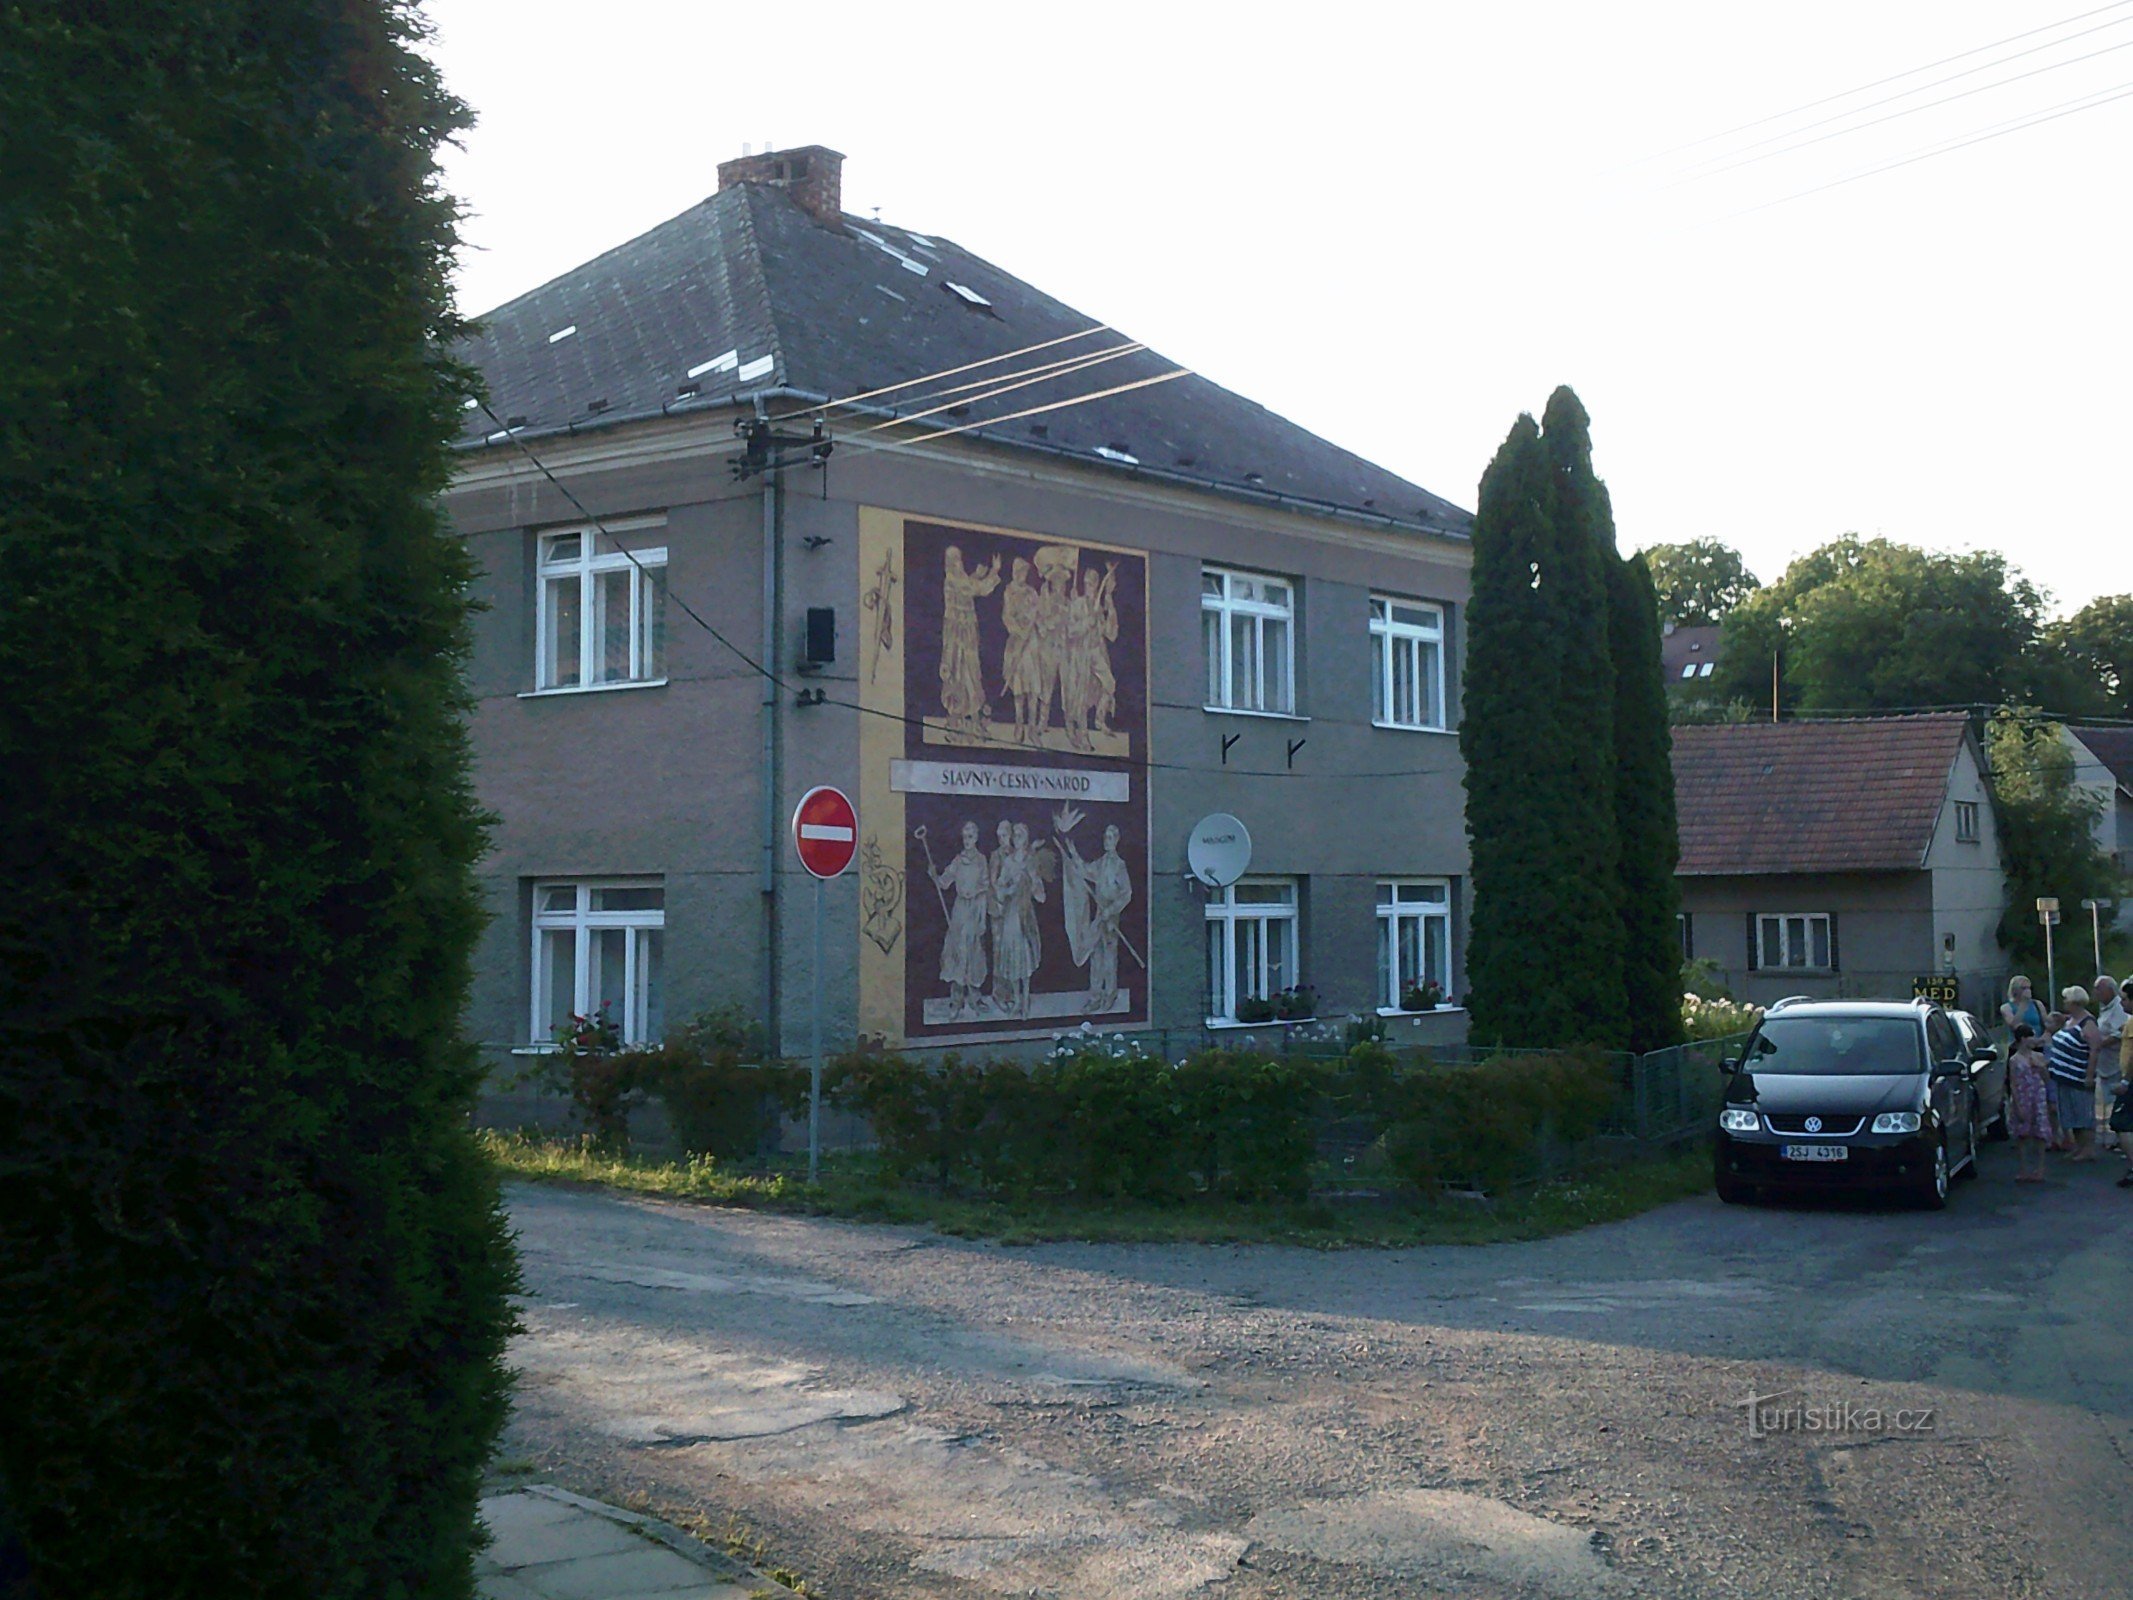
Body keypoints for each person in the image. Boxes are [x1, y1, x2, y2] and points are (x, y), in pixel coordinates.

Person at [930, 820, 991, 1020]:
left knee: (974, 952)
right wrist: (935, 876)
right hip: (959, 912)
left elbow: (985, 886)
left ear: (977, 838)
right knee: (956, 951)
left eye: (971, 836)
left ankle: (975, 997)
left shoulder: (982, 860)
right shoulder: (957, 860)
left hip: (975, 909)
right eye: (965, 836)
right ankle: (956, 1000)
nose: (967, 840)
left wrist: (980, 914)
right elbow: (945, 882)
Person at [2044, 987, 2104, 1163]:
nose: (2064, 1003)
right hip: (2064, 1077)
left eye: (2066, 1000)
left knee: (2083, 1112)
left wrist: (2089, 1075)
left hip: (2078, 1076)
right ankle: (2078, 1146)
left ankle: (2088, 1149)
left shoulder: (2087, 1023)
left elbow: (2095, 1049)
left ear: (2074, 1002)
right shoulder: (2069, 1020)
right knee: (2070, 1113)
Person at [2007, 1026, 2054, 1183]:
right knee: (2022, 1134)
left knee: (2040, 1132)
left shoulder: (2038, 1057)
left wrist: (2041, 1068)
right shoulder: (2014, 1060)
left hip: (2037, 1094)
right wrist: (2016, 1104)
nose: (2034, 1040)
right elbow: (2013, 1083)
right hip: (2022, 1096)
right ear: (2022, 1039)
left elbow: (2047, 1079)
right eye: (2030, 1037)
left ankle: (2040, 1169)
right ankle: (2023, 1169)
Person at [2093, 975, 2125, 1137]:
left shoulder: (2119, 1007)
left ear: (2110, 990)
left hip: (2116, 1062)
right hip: (2104, 1064)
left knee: (2116, 1101)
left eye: (2099, 989)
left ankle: (2118, 1136)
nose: (2096, 993)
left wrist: (2099, 1044)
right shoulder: (2105, 1008)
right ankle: (2110, 1136)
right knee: (2106, 1102)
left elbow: (2120, 1033)